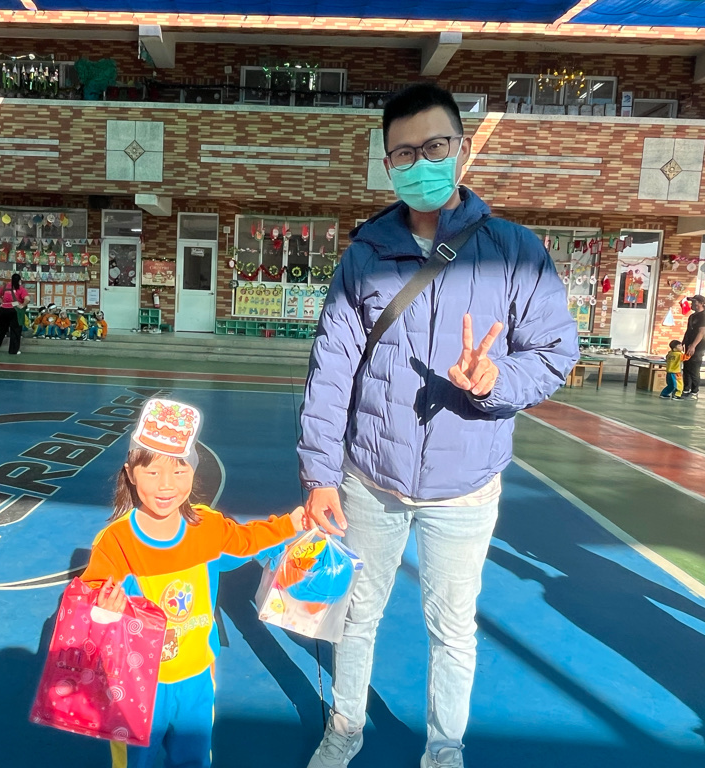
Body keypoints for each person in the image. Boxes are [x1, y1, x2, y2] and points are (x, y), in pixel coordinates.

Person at [298, 83, 578, 768]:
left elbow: (554, 353)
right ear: (387, 165)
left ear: (462, 148)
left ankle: (444, 749)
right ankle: (345, 726)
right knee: (356, 614)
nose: (420, 162)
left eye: (434, 146)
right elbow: (331, 368)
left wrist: (495, 380)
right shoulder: (366, 254)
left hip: (466, 487)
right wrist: (319, 473)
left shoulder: (515, 252)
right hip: (371, 480)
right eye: (404, 153)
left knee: (453, 628)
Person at [81, 398, 304, 768]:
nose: (167, 485)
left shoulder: (206, 527)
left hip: (196, 677)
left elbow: (247, 540)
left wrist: (290, 525)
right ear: (131, 473)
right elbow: (90, 597)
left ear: (194, 473)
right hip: (135, 682)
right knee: (136, 762)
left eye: (179, 470)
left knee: (194, 758)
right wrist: (103, 609)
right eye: (152, 472)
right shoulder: (116, 541)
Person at [681, 295, 705, 399]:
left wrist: (693, 345)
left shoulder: (703, 316)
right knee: (686, 367)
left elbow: (701, 332)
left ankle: (694, 391)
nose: (692, 304)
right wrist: (683, 343)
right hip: (688, 343)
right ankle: (686, 389)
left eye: (695, 302)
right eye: (692, 302)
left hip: (698, 345)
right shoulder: (692, 316)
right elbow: (688, 330)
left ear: (701, 303)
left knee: (694, 368)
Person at [0, 273, 29, 355]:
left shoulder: (5, 287)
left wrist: (2, 302)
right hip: (14, 310)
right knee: (15, 330)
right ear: (19, 280)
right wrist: (22, 305)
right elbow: (27, 299)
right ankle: (13, 350)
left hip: (3, 309)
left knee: (1, 327)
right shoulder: (20, 288)